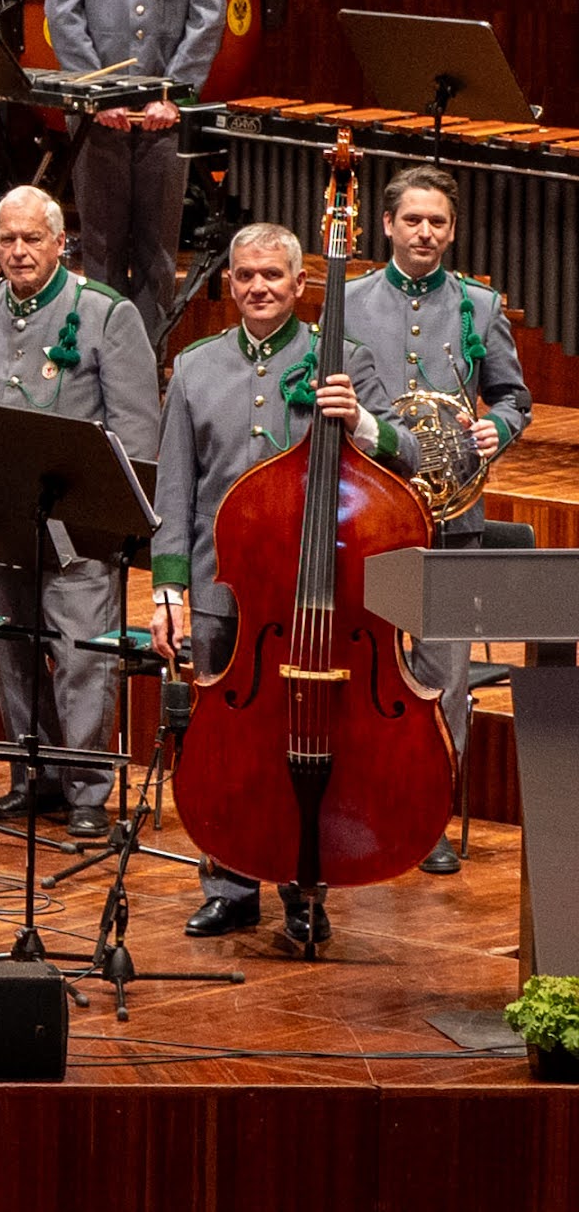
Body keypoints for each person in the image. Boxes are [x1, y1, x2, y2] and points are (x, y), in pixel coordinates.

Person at [155, 219, 434, 941]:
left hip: (324, 600)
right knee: (232, 747)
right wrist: (168, 591)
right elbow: (177, 492)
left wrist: (364, 424)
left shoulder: (342, 359)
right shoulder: (194, 367)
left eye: (272, 277)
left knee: (314, 736)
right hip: (231, 596)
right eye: (244, 277)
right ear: (229, 283)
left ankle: (305, 887)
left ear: (300, 285)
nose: (257, 288)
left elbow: (407, 454)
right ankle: (229, 883)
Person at [0, 186, 159, 842]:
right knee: (12, 648)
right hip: (3, 519)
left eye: (33, 238)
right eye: (7, 239)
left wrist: (119, 522)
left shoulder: (105, 314)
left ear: (62, 244)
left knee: (81, 653)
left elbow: (137, 432)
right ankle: (34, 777)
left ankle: (86, 784)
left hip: (79, 527)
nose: (18, 251)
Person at [347, 165, 538, 868]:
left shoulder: (480, 307)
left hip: (453, 521)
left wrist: (501, 429)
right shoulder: (350, 298)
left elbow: (515, 398)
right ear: (389, 225)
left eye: (438, 223)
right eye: (413, 220)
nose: (426, 232)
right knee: (361, 668)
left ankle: (428, 818)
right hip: (369, 514)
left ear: (451, 231)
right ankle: (363, 804)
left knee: (444, 676)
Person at [41, 0, 227, 322]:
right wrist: (97, 97)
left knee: (157, 251)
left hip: (164, 116)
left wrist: (174, 93)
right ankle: (101, 363)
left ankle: (148, 370)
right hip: (98, 115)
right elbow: (64, 14)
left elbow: (207, 16)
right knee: (100, 245)